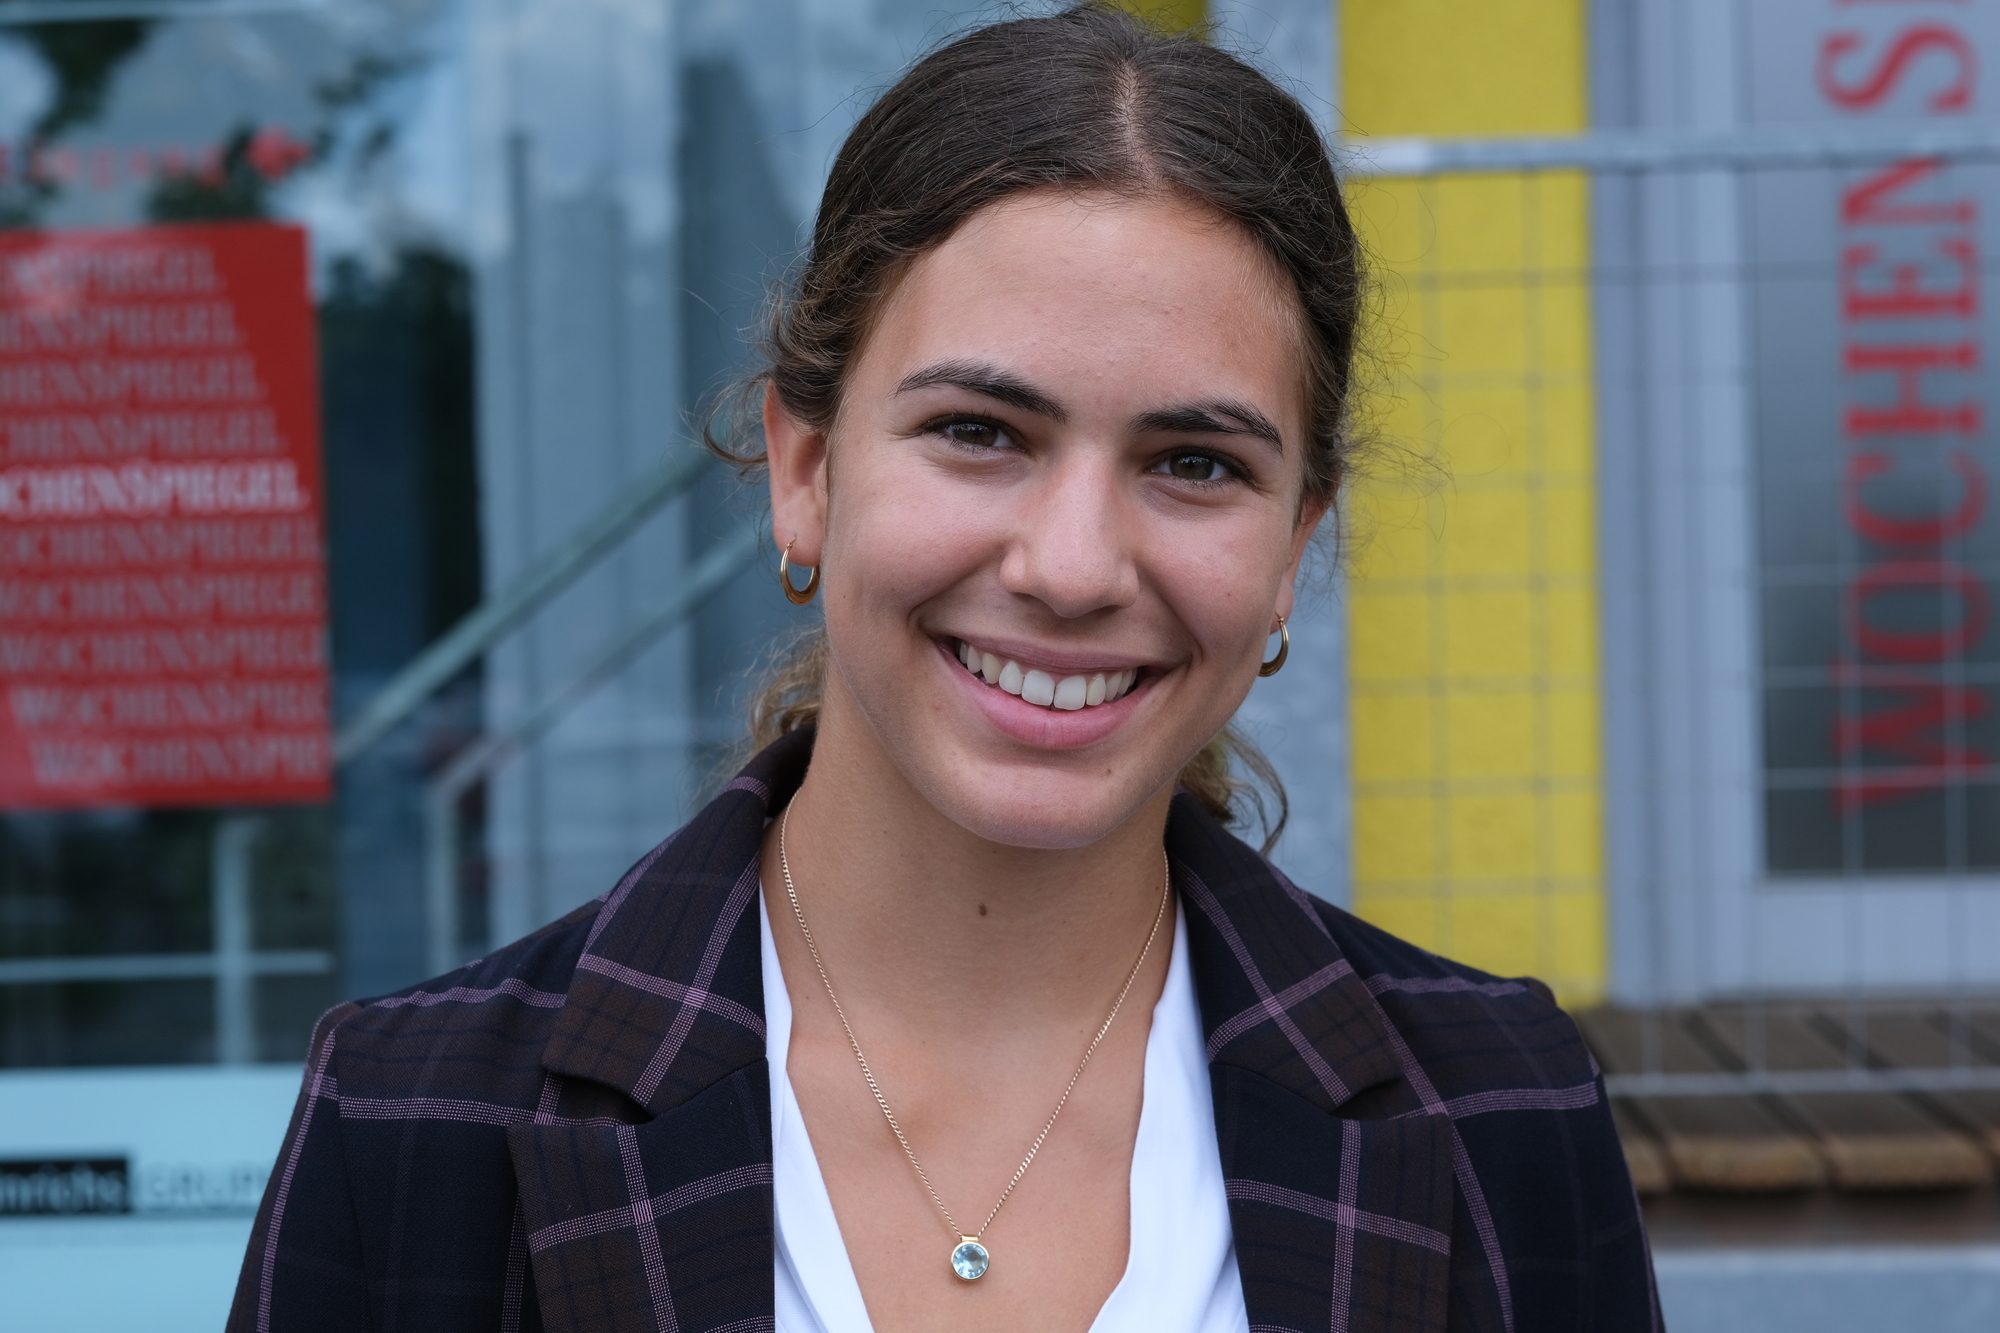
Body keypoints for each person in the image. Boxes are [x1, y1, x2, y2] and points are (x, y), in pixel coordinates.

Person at [229, 7, 1660, 1331]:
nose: (1074, 567)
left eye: (1195, 462)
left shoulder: (1504, 1112)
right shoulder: (412, 1129)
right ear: (804, 469)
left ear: (1295, 543)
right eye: (981, 432)